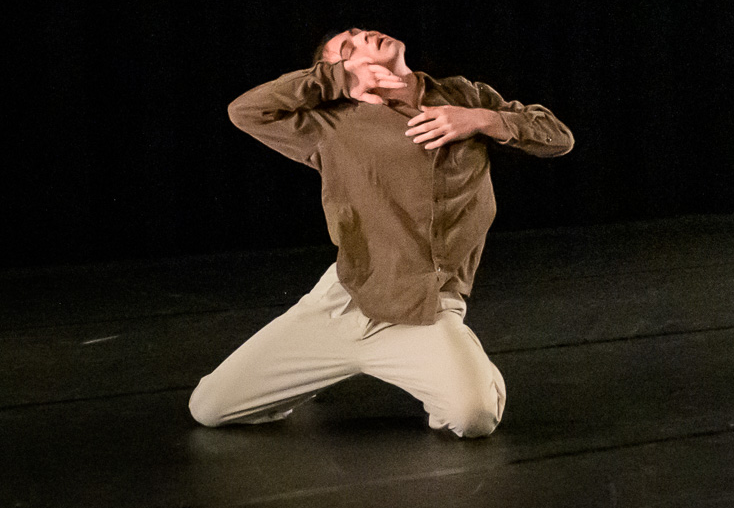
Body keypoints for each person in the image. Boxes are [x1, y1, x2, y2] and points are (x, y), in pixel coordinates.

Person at [189, 27, 573, 437]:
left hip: (425, 309)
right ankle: (313, 372)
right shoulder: (331, 124)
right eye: (347, 48)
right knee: (209, 408)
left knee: (473, 418)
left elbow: (558, 138)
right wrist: (336, 80)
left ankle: (459, 363)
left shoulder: (464, 95)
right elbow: (245, 111)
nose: (362, 35)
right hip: (342, 303)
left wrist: (483, 119)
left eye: (359, 33)